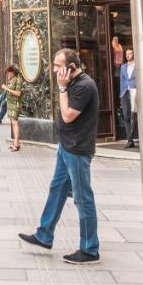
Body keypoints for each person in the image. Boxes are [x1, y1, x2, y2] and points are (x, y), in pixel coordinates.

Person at [19, 48, 100, 264]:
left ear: (71, 67)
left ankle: (90, 249)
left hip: (77, 149)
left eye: (57, 65)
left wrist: (62, 89)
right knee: (57, 190)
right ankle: (44, 234)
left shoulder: (83, 86)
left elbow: (68, 115)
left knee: (83, 199)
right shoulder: (74, 83)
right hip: (67, 147)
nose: (54, 69)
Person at [118, 48, 138, 148]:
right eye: (126, 54)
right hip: (125, 93)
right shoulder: (123, 67)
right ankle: (130, 140)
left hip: (135, 91)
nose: (128, 55)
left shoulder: (138, 65)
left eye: (129, 53)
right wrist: (121, 93)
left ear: (134, 54)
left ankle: (135, 138)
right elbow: (121, 81)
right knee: (126, 116)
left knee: (134, 115)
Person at [1, 66, 24, 151]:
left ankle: (16, 142)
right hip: (11, 104)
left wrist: (6, 88)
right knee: (13, 123)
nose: (7, 74)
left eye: (8, 72)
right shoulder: (12, 79)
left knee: (14, 123)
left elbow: (18, 93)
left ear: (12, 72)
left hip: (15, 104)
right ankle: (16, 142)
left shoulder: (18, 79)